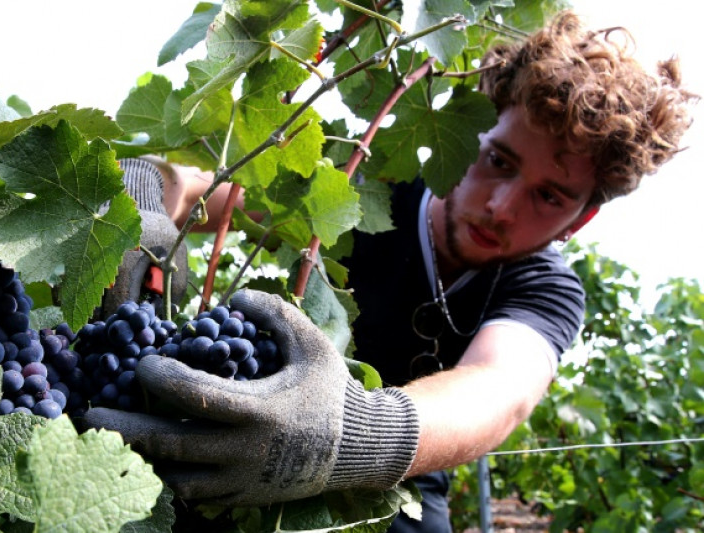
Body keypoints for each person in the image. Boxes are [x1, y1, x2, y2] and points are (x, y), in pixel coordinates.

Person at [88, 11, 694, 531]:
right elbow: (195, 187)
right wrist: (141, 201)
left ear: (579, 222)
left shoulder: (546, 288)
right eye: (499, 161)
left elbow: (499, 392)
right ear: (473, 129)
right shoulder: (362, 190)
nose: (501, 206)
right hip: (256, 425)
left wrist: (360, 432)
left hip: (397, 480)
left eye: (550, 197)